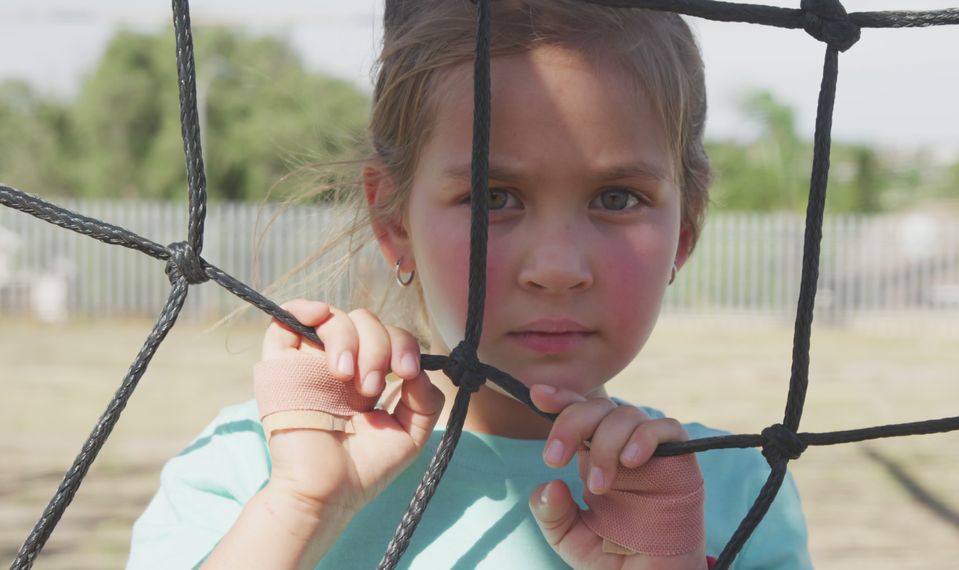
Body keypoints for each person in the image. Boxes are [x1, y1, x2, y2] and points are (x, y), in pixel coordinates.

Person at [128, 0, 810, 567]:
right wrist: (305, 505)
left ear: (684, 230)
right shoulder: (259, 462)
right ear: (392, 220)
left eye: (617, 198)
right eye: (492, 196)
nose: (556, 269)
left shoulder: (727, 488)